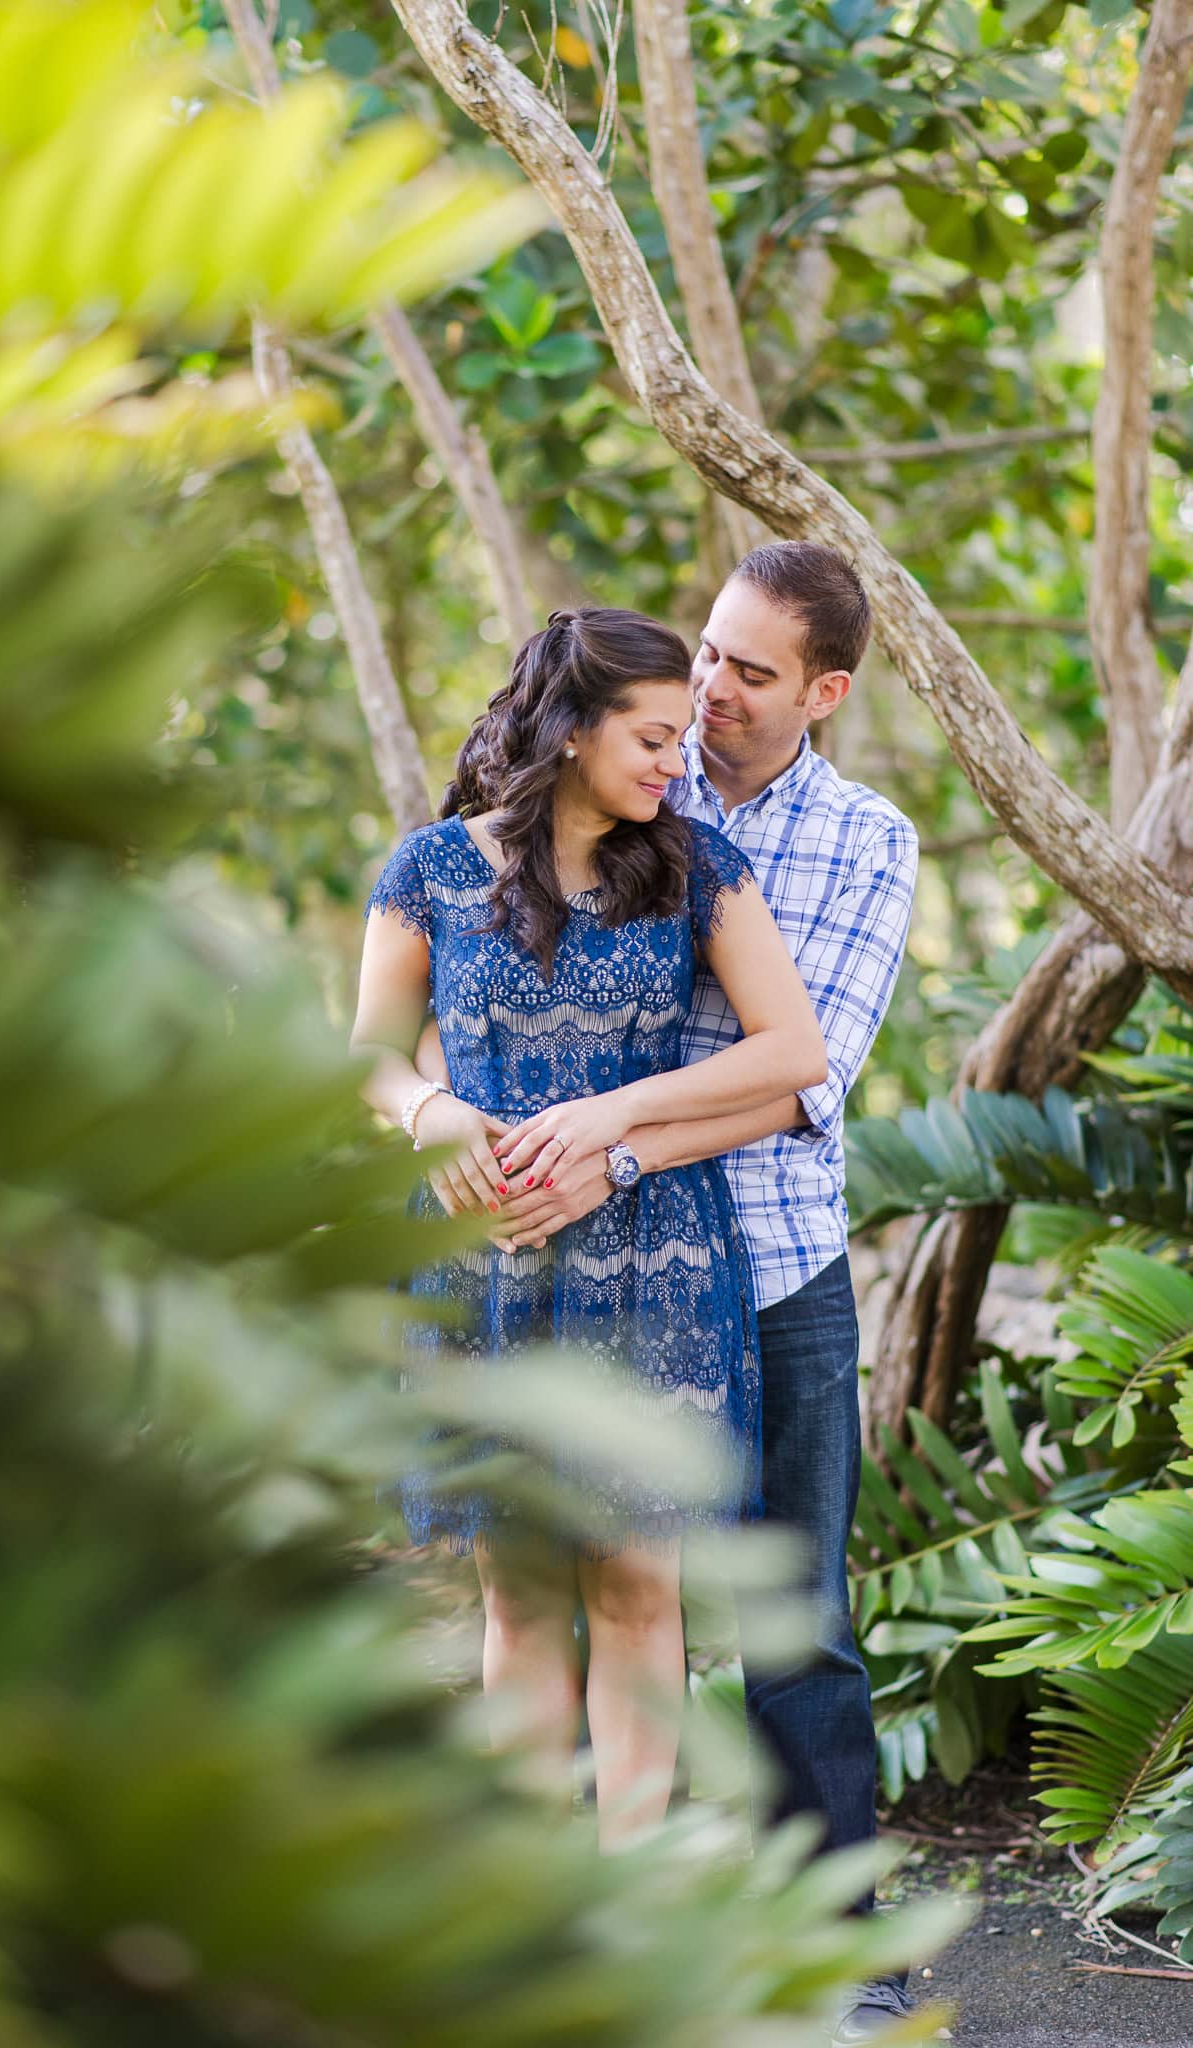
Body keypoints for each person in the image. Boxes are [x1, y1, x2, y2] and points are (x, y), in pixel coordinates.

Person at [477, 545, 920, 2043]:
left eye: (748, 670)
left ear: (824, 692)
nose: (712, 688)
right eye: (708, 655)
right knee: (600, 1603)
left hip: (774, 1261)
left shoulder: (860, 838)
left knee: (792, 1616)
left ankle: (831, 1953)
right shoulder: (616, 798)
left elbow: (810, 1078)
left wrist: (608, 1144)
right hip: (592, 1282)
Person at [351, 606, 826, 1853]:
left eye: (681, 738)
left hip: (654, 1263)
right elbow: (363, 1056)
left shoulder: (695, 870)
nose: (678, 760)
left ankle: (630, 1898)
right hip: (483, 1256)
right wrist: (433, 1111)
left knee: (631, 1584)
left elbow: (794, 1052)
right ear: (568, 728)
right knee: (514, 1593)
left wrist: (611, 1115)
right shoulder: (427, 869)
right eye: (654, 735)